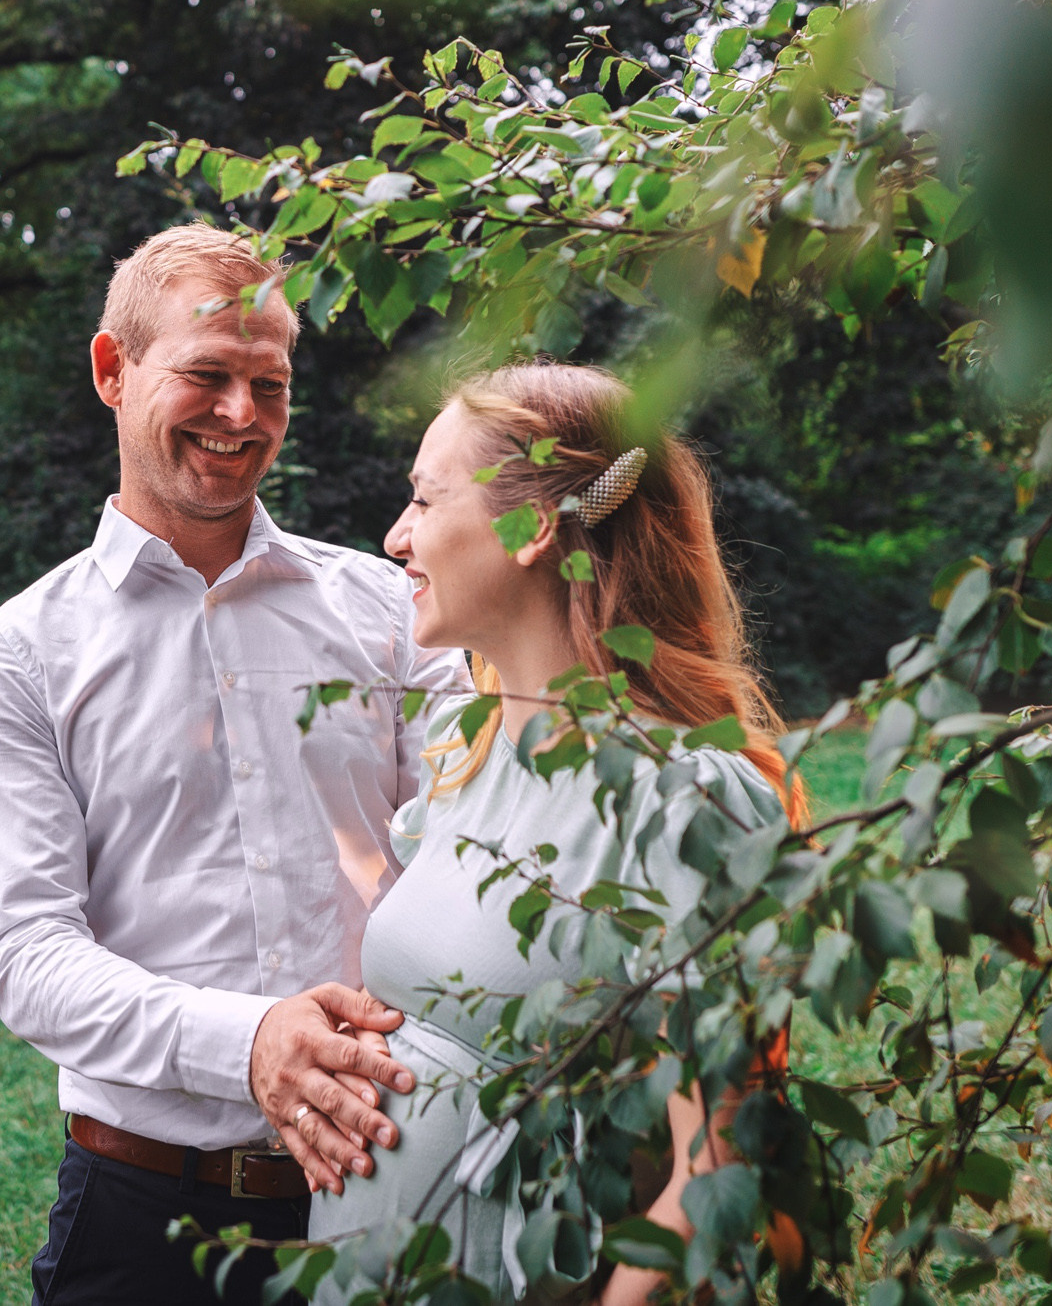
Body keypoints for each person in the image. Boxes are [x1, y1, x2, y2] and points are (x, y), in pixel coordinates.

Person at [0, 224, 470, 1306]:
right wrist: (249, 1042)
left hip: (393, 1177)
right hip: (145, 1214)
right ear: (112, 369)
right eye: (206, 374)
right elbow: (29, 953)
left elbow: (468, 857)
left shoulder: (390, 611)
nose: (240, 415)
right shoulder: (20, 652)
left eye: (267, 385)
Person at [307, 362, 810, 1303]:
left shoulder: (684, 798)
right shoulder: (466, 755)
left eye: (424, 498)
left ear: (532, 526)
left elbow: (725, 1161)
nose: (397, 536)